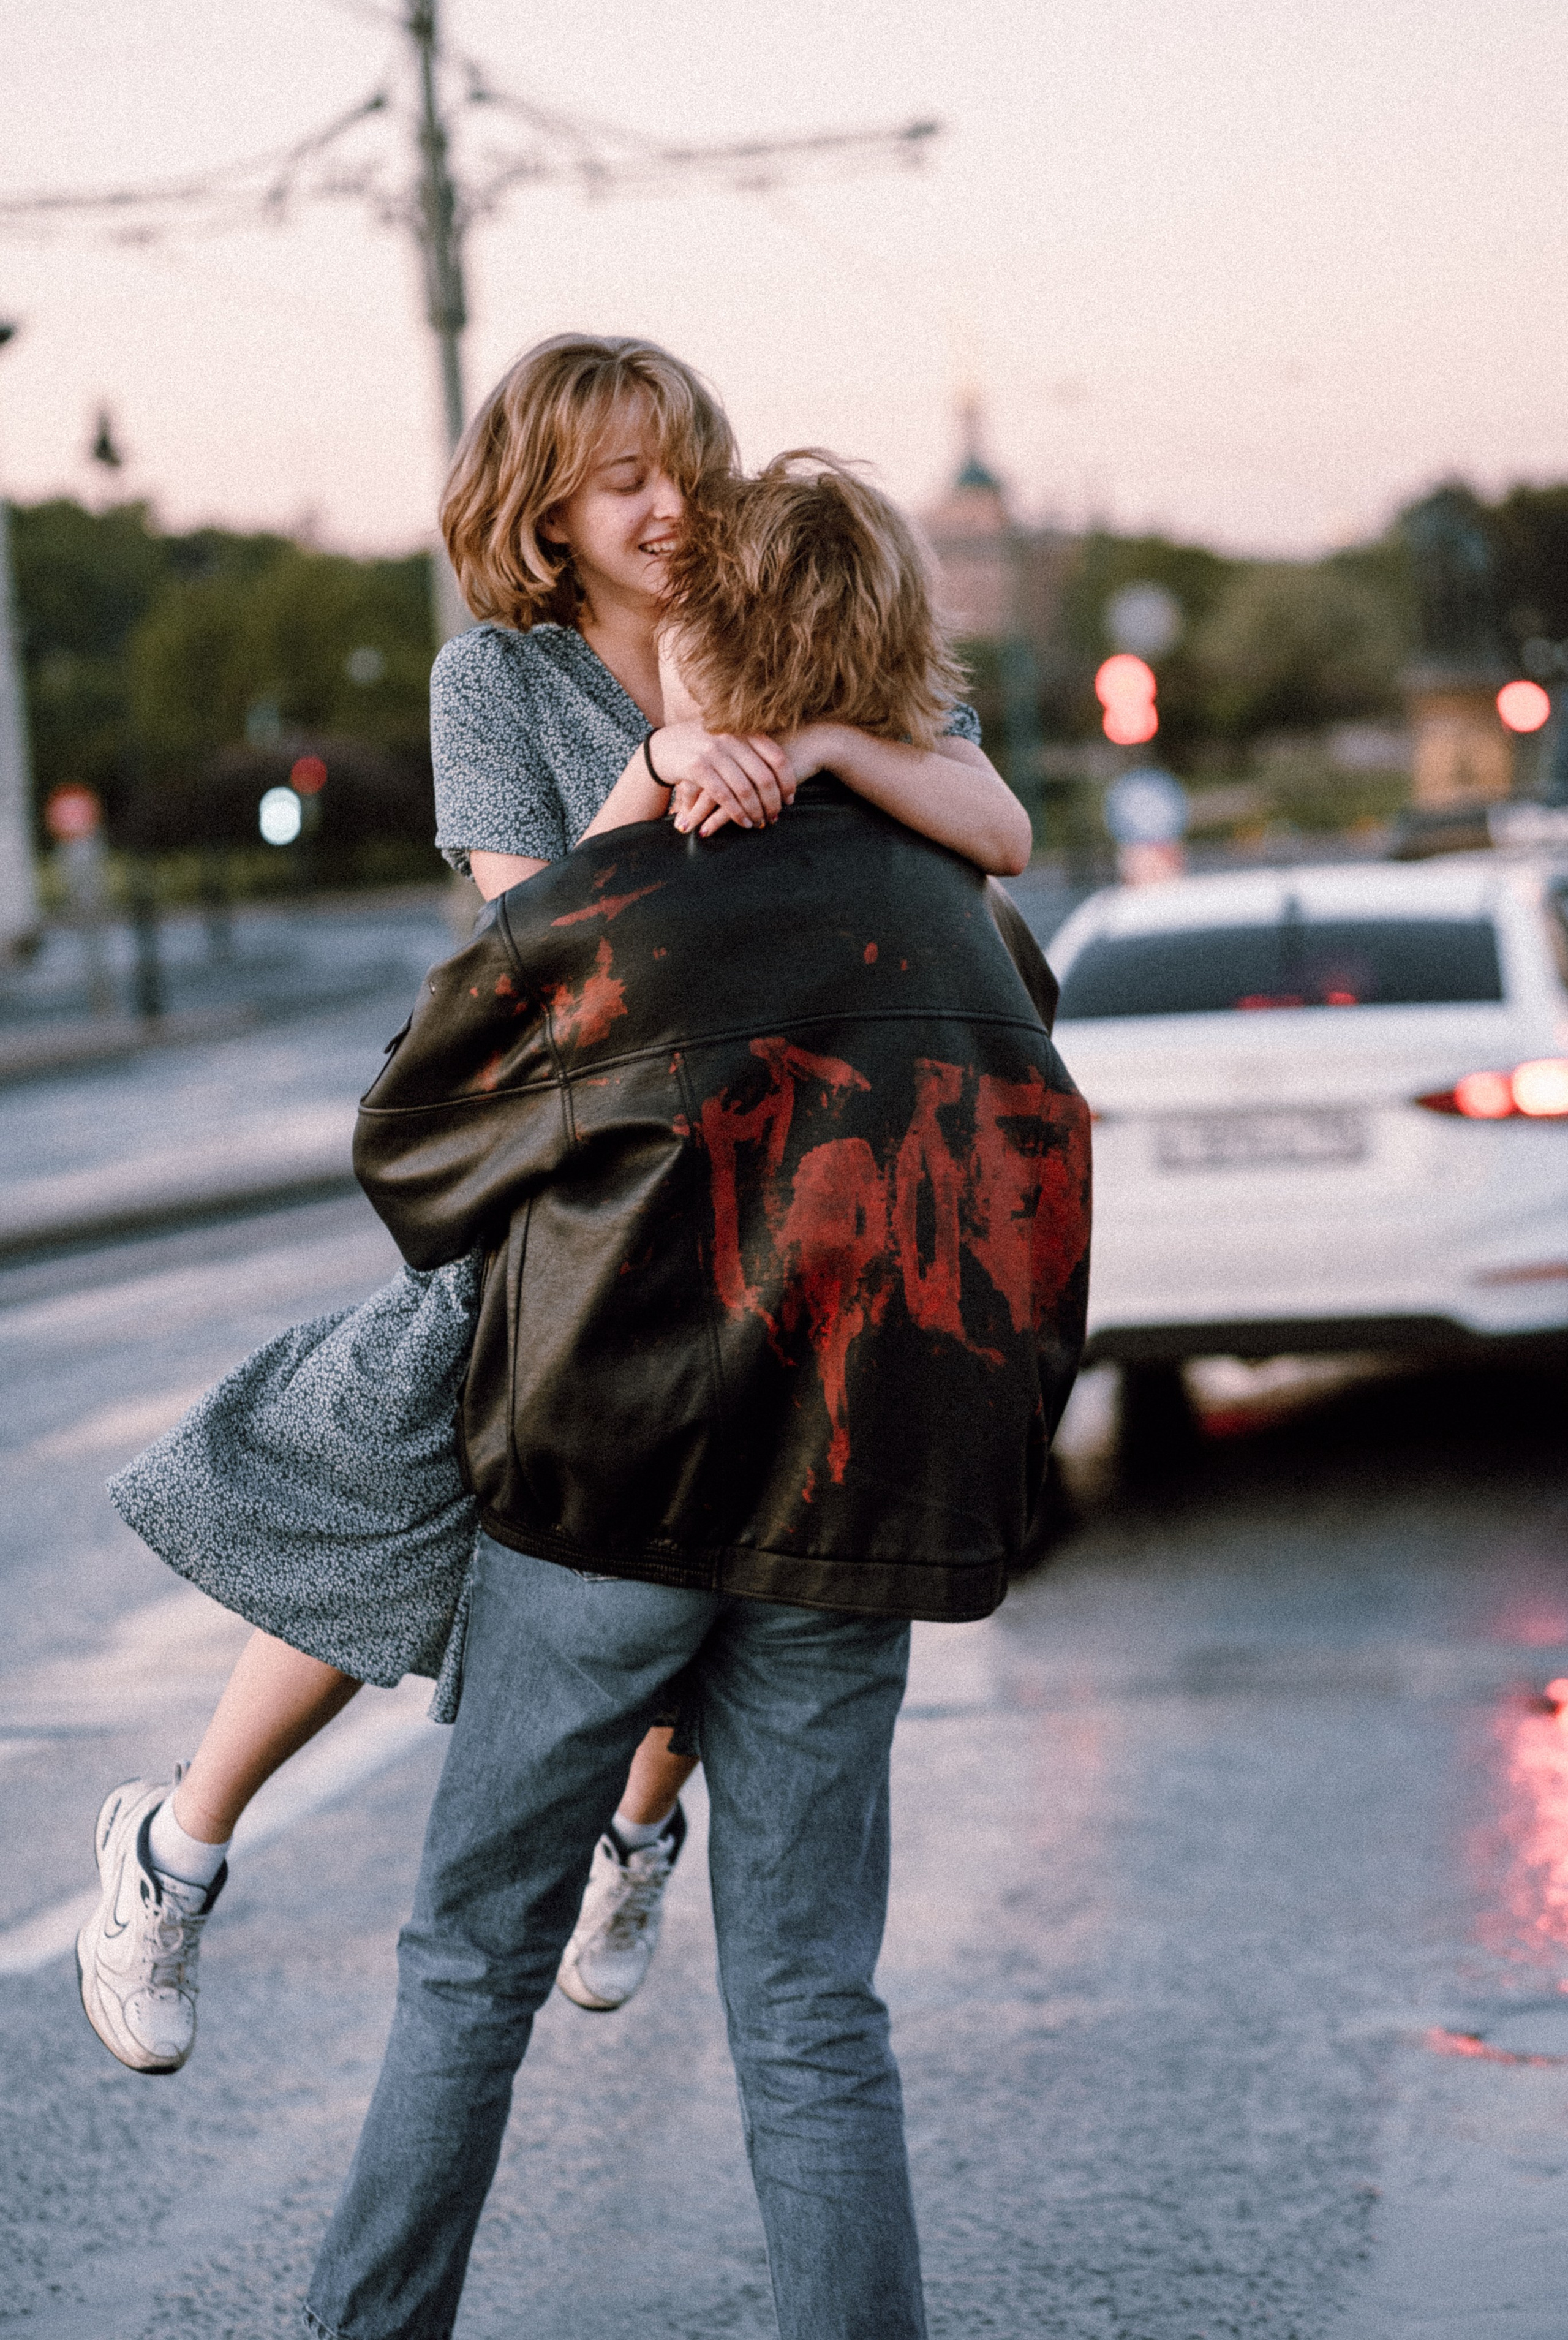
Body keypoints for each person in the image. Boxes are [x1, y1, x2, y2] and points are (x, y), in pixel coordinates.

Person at [77, 335, 1033, 2078]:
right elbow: (542, 945)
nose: (667, 507)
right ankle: (176, 1847)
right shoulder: (496, 683)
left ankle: (638, 1826)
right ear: (545, 511)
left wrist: (810, 732)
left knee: (731, 1507)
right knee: (392, 1456)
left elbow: (995, 822)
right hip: (585, 1151)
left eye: (682, 466)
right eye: (620, 481)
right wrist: (664, 772)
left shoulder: (791, 615)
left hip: (788, 1162)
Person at [303, 450, 1091, 2339]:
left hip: (605, 1501)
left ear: (709, 642)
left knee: (472, 1962)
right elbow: (1037, 1246)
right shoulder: (981, 936)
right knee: (818, 2012)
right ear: (901, 650)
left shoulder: (628, 909)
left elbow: (413, 1152)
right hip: (850, 1521)